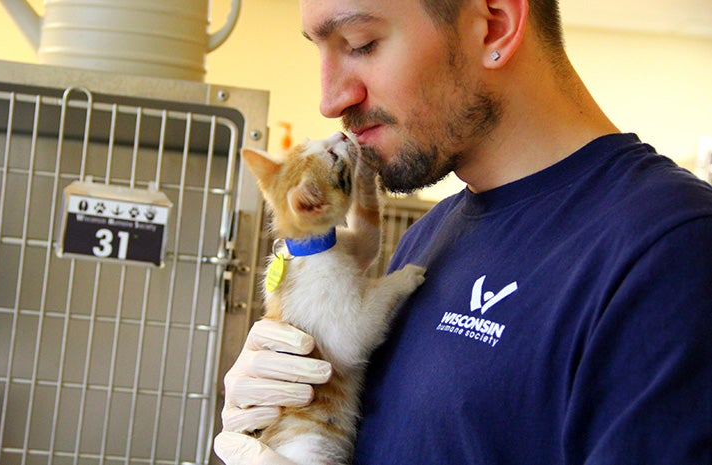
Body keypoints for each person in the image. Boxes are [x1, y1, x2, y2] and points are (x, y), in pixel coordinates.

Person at [214, 0, 712, 463]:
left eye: (362, 43)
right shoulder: (431, 236)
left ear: (494, 25)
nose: (330, 100)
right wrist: (287, 425)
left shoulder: (674, 251)